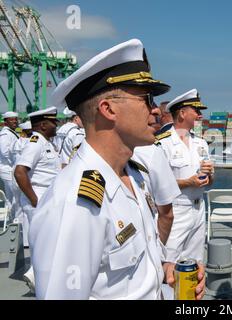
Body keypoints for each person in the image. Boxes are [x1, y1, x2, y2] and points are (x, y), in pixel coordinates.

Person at [28, 39, 205, 300]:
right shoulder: (74, 203)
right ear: (108, 109)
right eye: (147, 98)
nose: (157, 110)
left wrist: (163, 270)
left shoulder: (134, 175)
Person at [157, 89, 214, 265]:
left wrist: (209, 177)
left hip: (199, 210)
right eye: (196, 110)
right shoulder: (163, 143)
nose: (199, 114)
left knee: (194, 263)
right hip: (175, 211)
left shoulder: (201, 142)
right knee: (169, 262)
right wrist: (188, 182)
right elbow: (157, 185)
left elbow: (209, 181)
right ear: (182, 113)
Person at [14, 106, 62, 289]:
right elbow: (19, 172)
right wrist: (35, 201)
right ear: (43, 125)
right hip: (39, 200)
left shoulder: (46, 142)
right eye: (53, 122)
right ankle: (37, 279)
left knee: (47, 242)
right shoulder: (35, 143)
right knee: (41, 243)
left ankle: (40, 278)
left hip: (47, 199)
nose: (56, 126)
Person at [0, 111, 20, 221]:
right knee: (15, 197)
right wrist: (16, 162)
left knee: (11, 197)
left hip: (9, 169)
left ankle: (11, 220)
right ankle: (14, 220)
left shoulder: (11, 133)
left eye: (16, 119)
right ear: (6, 122)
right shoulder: (5, 134)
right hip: (8, 169)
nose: (15, 122)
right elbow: (5, 152)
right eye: (11, 120)